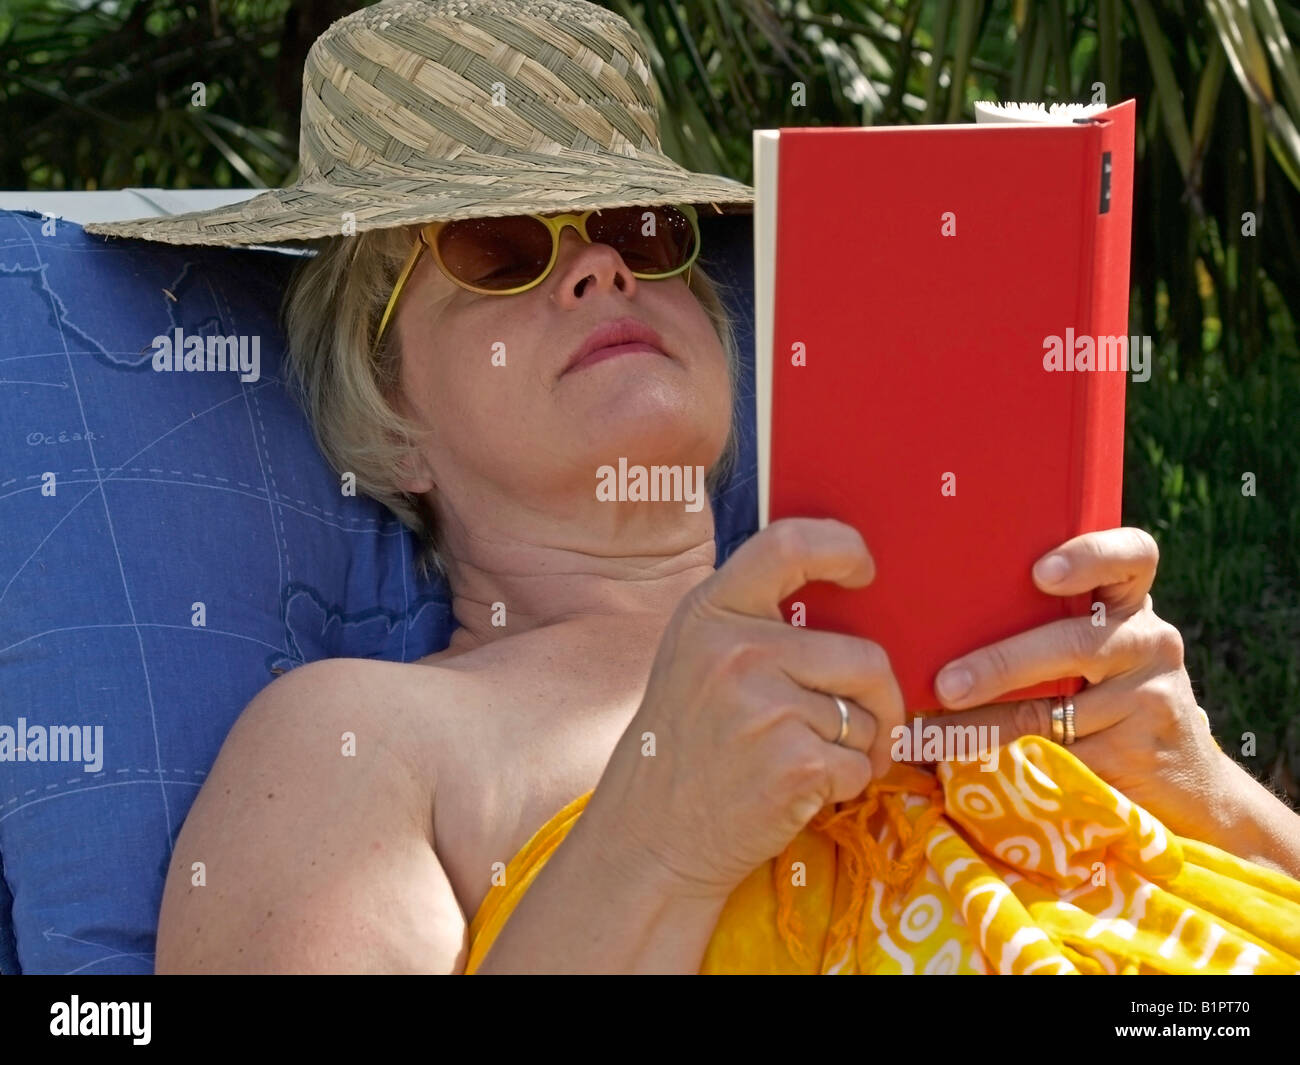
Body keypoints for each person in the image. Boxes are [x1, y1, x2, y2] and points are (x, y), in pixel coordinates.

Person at [88, 0, 1300, 974]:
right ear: (389, 409)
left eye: (640, 226)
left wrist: (1203, 787)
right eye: (498, 252)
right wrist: (658, 845)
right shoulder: (359, 741)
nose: (601, 266)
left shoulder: (974, 634)